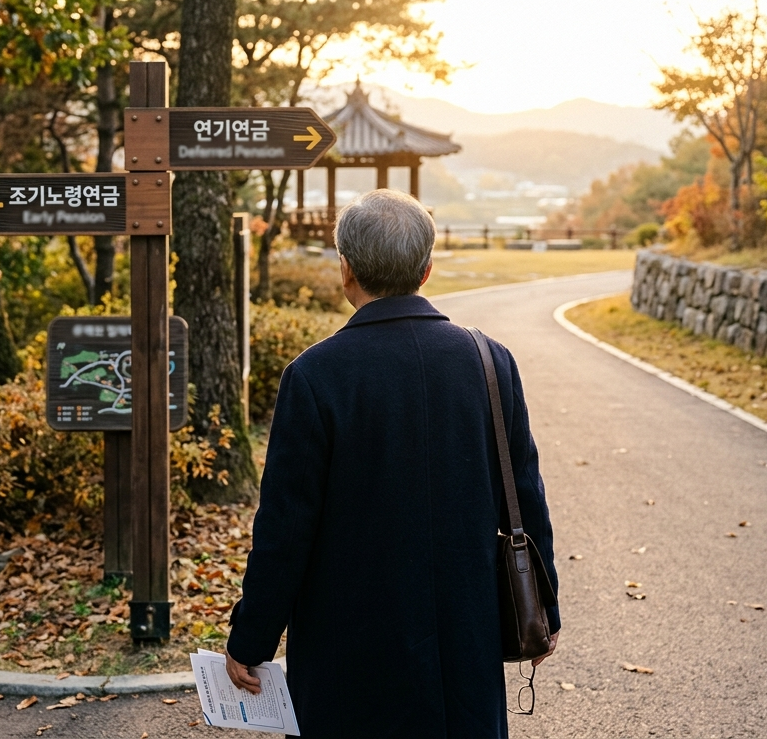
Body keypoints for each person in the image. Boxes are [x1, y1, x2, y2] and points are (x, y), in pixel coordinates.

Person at [224, 189, 560, 737]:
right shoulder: (490, 360)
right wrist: (544, 608)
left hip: (351, 642)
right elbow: (524, 495)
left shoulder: (314, 376)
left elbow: (286, 528)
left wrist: (252, 635)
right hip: (464, 633)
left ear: (346, 269)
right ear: (427, 270)